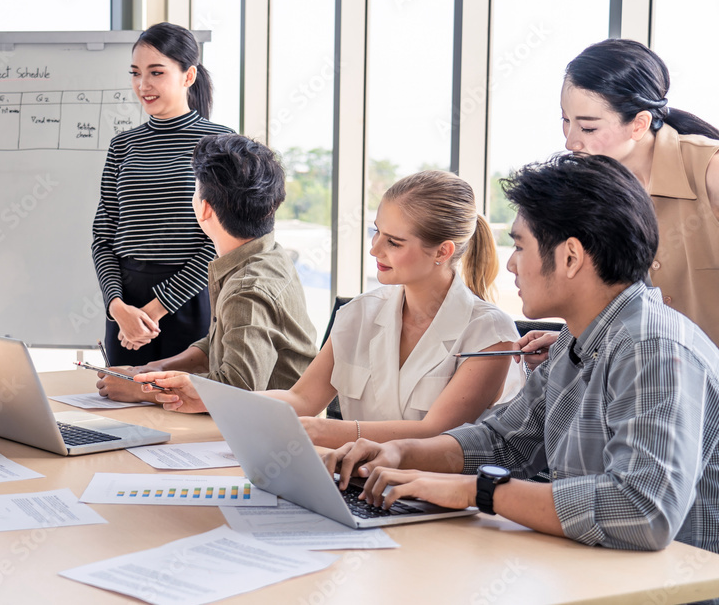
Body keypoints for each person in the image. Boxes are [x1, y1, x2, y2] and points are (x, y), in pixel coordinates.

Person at [325, 153, 719, 559]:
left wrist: (475, 492)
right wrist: (402, 452)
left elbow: (641, 509)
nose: (510, 264)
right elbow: (504, 443)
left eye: (519, 246)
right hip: (589, 571)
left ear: (570, 257)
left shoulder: (651, 348)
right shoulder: (575, 340)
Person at [139, 170, 524, 449]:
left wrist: (329, 433)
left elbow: (437, 434)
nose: (375, 250)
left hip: (444, 501)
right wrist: (211, 397)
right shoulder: (360, 313)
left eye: (393, 241)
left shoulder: (490, 333)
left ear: (442, 252)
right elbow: (302, 400)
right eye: (376, 231)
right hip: (360, 481)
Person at [96, 133, 317, 401]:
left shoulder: (247, 289)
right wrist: (155, 369)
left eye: (195, 189)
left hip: (266, 432)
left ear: (204, 209)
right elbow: (217, 342)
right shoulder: (264, 254)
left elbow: (237, 390)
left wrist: (144, 389)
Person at [538, 38, 719, 352]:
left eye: (588, 128)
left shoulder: (710, 172)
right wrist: (576, 343)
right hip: (651, 381)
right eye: (566, 122)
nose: (571, 142)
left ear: (639, 124)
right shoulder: (591, 191)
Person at [91, 22, 234, 366]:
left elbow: (221, 242)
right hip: (127, 305)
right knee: (119, 409)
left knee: (182, 409)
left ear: (188, 76)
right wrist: (116, 307)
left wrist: (156, 308)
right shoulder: (122, 145)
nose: (143, 85)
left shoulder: (220, 143)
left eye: (156, 72)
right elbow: (103, 235)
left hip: (190, 299)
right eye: (136, 73)